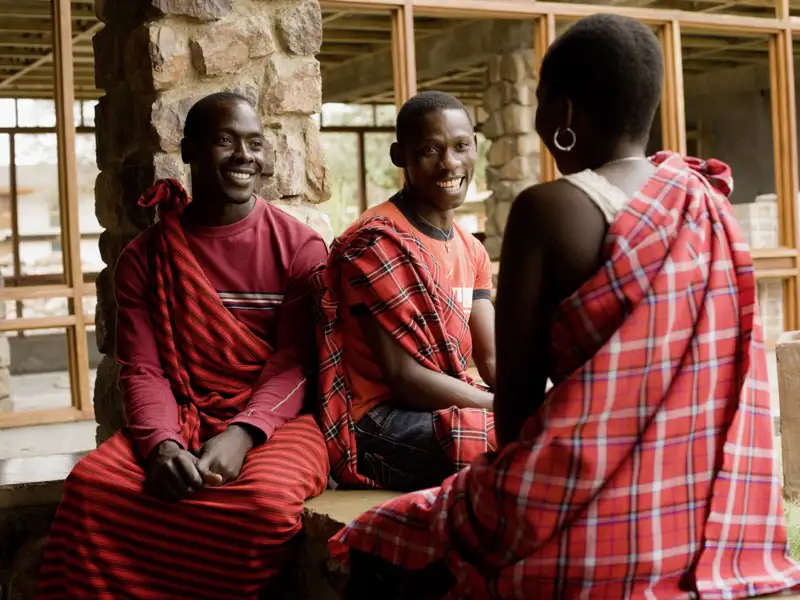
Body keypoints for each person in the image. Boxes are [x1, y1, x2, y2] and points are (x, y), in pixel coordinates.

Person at [331, 14, 800, 599]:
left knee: (376, 539)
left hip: (587, 495)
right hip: (705, 500)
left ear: (565, 114)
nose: (450, 163)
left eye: (539, 101)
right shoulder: (703, 201)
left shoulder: (547, 211)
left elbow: (518, 410)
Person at [36, 92, 329, 599]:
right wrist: (162, 446)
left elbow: (297, 361)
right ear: (188, 150)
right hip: (182, 412)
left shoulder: (299, 247)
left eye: (255, 143)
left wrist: (244, 433)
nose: (244, 155)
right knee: (90, 490)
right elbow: (143, 369)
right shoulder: (147, 258)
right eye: (224, 140)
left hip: (277, 420)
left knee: (266, 503)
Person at [314, 91, 496, 491]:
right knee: (511, 444)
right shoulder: (376, 242)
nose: (450, 163)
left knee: (557, 426)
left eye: (461, 146)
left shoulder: (472, 249)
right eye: (430, 149)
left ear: (475, 148)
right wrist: (505, 408)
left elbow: (493, 359)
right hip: (376, 421)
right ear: (401, 156)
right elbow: (405, 379)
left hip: (446, 405)